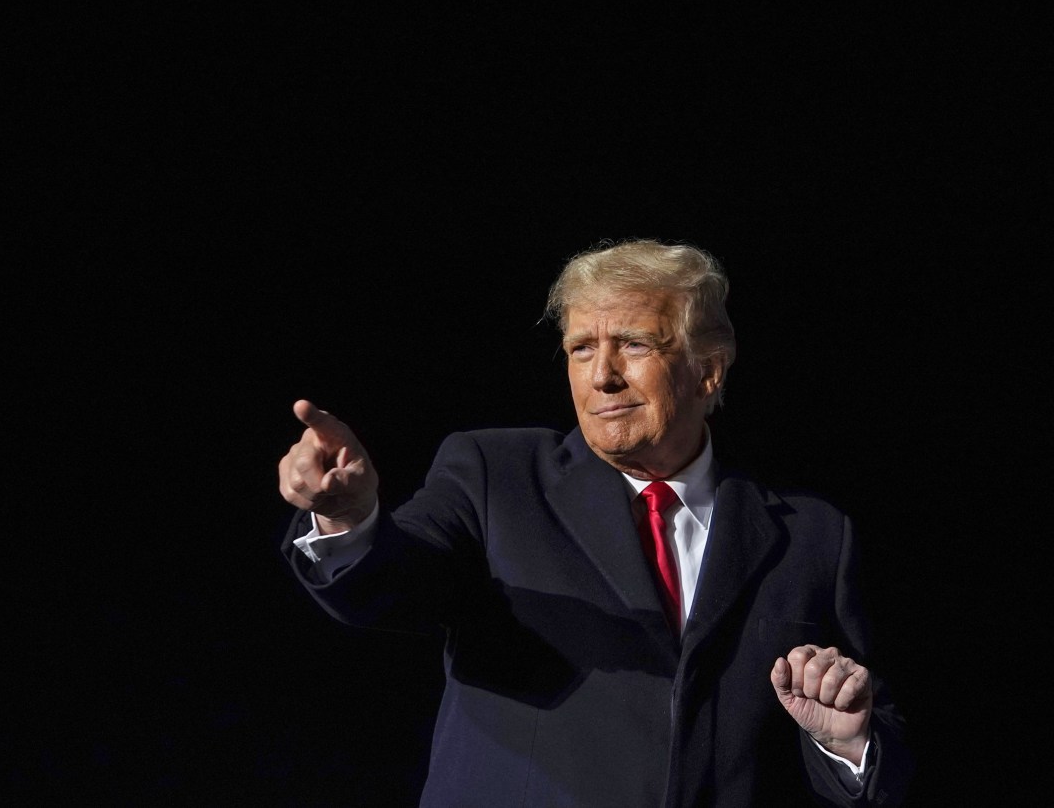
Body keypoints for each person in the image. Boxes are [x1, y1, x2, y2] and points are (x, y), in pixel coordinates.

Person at [277, 238, 913, 807]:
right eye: (582, 349)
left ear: (708, 369)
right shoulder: (495, 476)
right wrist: (348, 516)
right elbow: (397, 578)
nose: (602, 376)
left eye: (634, 344)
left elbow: (876, 736)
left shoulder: (812, 535)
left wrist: (845, 743)